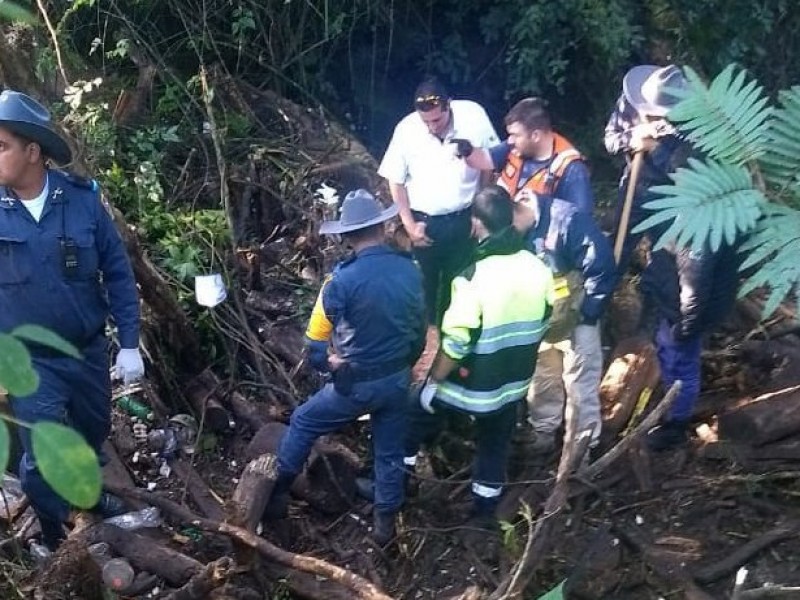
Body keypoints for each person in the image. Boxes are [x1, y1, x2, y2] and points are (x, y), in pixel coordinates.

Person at [0, 90, 144, 550]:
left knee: (93, 432)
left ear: (32, 151)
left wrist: (129, 342)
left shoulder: (81, 201)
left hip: (85, 351)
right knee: (41, 460)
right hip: (28, 363)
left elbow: (118, 272)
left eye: (1, 146)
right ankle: (52, 535)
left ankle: (89, 494)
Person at [262, 189, 426, 545]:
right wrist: (403, 368)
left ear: (347, 236)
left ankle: (277, 497)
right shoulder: (409, 270)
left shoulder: (338, 282)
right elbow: (419, 335)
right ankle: (384, 525)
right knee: (389, 448)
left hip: (355, 384)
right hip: (397, 380)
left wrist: (331, 366)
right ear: (382, 230)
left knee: (304, 420)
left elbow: (315, 346)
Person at [393, 185, 554, 526]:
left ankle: (397, 485)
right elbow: (546, 318)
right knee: (494, 443)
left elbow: (456, 343)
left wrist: (432, 382)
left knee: (412, 413)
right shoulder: (538, 267)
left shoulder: (471, 278)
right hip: (515, 383)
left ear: (476, 224)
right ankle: (483, 514)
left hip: (473, 385)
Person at [378, 76, 499, 325]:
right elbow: (395, 180)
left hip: (465, 215)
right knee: (424, 286)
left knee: (463, 283)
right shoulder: (407, 129)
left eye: (437, 120)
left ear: (449, 105)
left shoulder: (473, 116)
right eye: (426, 122)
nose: (432, 127)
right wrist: (409, 225)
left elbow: (489, 163)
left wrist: (480, 210)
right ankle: (427, 336)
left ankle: (457, 341)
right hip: (426, 221)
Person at [512, 189, 617, 455]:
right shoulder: (515, 233)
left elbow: (600, 265)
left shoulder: (566, 219)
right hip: (542, 317)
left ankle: (584, 444)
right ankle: (544, 432)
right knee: (543, 379)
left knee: (580, 380)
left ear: (517, 210)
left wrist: (588, 313)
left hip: (576, 313)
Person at [604, 64, 692, 331]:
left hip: (671, 198)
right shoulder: (631, 100)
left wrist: (655, 148)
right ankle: (601, 311)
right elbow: (610, 140)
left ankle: (655, 326)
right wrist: (632, 138)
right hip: (634, 185)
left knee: (665, 265)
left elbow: (687, 174)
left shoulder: (693, 121)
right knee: (614, 252)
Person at [458, 97, 594, 214]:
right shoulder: (514, 146)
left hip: (539, 240)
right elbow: (484, 160)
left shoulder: (572, 169)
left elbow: (581, 220)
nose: (509, 140)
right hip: (508, 233)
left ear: (535, 135)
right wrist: (467, 150)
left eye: (515, 135)